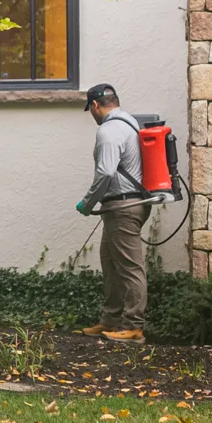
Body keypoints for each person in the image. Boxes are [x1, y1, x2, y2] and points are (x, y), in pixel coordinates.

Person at [75, 83, 150, 342]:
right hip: (122, 205)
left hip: (123, 207)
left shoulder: (109, 130)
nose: (92, 115)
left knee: (129, 267)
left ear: (95, 105)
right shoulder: (129, 123)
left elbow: (106, 172)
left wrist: (87, 203)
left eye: (91, 110)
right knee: (110, 262)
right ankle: (110, 320)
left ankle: (134, 326)